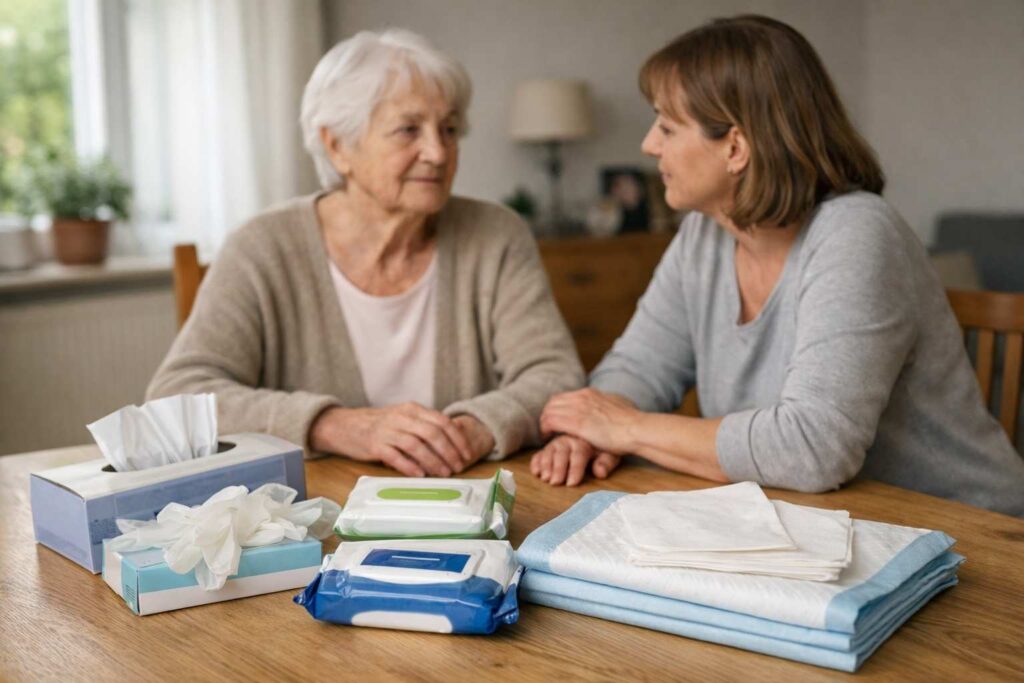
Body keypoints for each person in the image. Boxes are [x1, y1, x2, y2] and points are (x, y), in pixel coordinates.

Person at [531, 15, 1024, 517]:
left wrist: (625, 427)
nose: (648, 145)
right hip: (819, 526)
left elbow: (813, 449)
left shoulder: (857, 234)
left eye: (666, 126)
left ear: (736, 147)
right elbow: (638, 367)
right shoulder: (702, 235)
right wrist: (589, 435)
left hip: (971, 537)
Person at [148, 29, 583, 477]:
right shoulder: (262, 247)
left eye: (450, 129)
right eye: (408, 130)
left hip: (466, 500)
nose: (437, 152)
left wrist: (475, 428)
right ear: (338, 145)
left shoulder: (496, 235)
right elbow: (177, 397)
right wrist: (333, 425)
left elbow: (556, 376)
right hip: (312, 515)